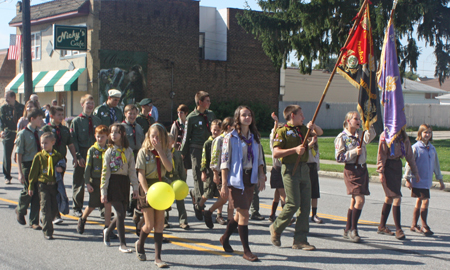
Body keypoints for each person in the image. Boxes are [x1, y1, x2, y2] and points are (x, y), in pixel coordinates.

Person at [270, 105, 323, 250]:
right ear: (292, 115)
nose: (303, 118)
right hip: (290, 169)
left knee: (305, 206)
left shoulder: (303, 130)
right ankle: (276, 227)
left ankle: (300, 240)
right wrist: (295, 150)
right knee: (293, 203)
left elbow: (320, 132)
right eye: (301, 115)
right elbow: (276, 153)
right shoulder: (282, 132)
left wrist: (314, 126)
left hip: (304, 169)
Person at [219, 106, 265, 262]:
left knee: (239, 214)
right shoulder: (230, 137)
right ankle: (247, 251)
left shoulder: (255, 137)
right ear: (237, 118)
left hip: (249, 179)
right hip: (235, 180)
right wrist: (224, 184)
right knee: (245, 214)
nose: (247, 117)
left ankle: (225, 237)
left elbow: (259, 159)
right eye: (244, 115)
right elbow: (224, 162)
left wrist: (262, 175)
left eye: (249, 115)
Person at [335, 111, 375, 243]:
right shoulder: (342, 137)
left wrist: (369, 125)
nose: (358, 121)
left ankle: (347, 229)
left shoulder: (360, 135)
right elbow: (339, 157)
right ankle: (354, 229)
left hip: (362, 170)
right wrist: (353, 152)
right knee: (360, 200)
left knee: (354, 201)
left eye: (359, 119)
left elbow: (370, 137)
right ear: (348, 121)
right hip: (352, 170)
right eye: (355, 119)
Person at [135, 123, 172, 267]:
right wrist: (147, 192)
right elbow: (141, 175)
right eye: (153, 136)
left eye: (158, 137)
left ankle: (158, 258)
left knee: (160, 225)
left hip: (161, 188)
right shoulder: (143, 152)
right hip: (148, 188)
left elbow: (168, 168)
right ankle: (140, 244)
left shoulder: (166, 151)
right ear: (148, 137)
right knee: (149, 224)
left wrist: (160, 151)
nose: (155, 139)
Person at [101, 123, 139, 253]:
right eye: (112, 132)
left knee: (122, 214)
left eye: (116, 132)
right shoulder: (109, 152)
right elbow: (105, 172)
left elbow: (132, 170)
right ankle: (122, 244)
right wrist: (103, 191)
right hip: (113, 183)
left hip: (124, 183)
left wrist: (135, 187)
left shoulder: (128, 151)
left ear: (122, 134)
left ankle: (108, 231)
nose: (113, 134)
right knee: (120, 213)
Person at [377, 129, 419, 240]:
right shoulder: (385, 135)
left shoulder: (403, 137)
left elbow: (409, 155)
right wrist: (380, 172)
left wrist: (415, 172)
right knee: (397, 197)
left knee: (389, 198)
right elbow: (381, 154)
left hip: (397, 166)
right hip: (388, 166)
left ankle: (381, 226)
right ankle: (398, 229)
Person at [180, 91, 215, 220]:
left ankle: (195, 194)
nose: (209, 103)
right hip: (196, 149)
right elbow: (186, 137)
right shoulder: (191, 117)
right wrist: (182, 154)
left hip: (209, 148)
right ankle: (199, 206)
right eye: (207, 101)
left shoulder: (210, 115)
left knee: (209, 176)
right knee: (198, 176)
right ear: (200, 102)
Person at [404, 124, 445, 236]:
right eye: (425, 132)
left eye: (429, 133)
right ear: (420, 134)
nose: (427, 135)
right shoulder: (416, 147)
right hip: (418, 180)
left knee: (419, 201)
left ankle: (413, 224)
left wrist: (440, 180)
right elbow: (409, 164)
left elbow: (436, 165)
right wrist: (407, 178)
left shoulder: (432, 149)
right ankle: (424, 225)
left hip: (427, 181)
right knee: (425, 200)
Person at [41, 106, 78, 225]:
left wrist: (75, 157)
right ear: (51, 116)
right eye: (58, 115)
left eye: (62, 115)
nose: (61, 117)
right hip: (48, 161)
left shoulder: (65, 129)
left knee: (58, 187)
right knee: (49, 188)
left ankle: (55, 213)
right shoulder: (46, 128)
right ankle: (49, 214)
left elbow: (70, 144)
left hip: (61, 161)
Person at [28, 132, 65, 240]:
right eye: (42, 143)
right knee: (45, 208)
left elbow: (62, 165)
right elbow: (33, 172)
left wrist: (61, 169)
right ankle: (48, 232)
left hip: (54, 185)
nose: (44, 145)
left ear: (53, 143)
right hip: (43, 185)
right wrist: (30, 186)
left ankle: (46, 220)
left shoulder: (57, 155)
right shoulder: (39, 156)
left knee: (54, 208)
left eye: (46, 143)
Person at [70, 95, 102, 217]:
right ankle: (77, 207)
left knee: (97, 179)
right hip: (82, 152)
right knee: (79, 180)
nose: (90, 106)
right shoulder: (76, 121)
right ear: (82, 104)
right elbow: (74, 140)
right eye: (88, 103)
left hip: (95, 153)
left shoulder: (97, 120)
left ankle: (99, 205)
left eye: (92, 103)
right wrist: (78, 156)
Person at [14, 108, 44, 229]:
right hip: (27, 164)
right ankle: (20, 209)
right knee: (28, 190)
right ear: (32, 119)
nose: (41, 121)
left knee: (37, 192)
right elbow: (19, 153)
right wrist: (20, 172)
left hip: (38, 164)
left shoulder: (40, 133)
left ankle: (34, 221)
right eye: (39, 119)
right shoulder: (23, 133)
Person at [77, 125, 109, 234]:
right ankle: (82, 219)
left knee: (107, 205)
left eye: (103, 136)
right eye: (98, 136)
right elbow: (88, 167)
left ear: (107, 137)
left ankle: (107, 228)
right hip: (95, 181)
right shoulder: (92, 150)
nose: (100, 139)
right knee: (92, 205)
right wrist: (87, 183)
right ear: (95, 136)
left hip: (106, 181)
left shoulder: (109, 150)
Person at [208, 117, 235, 225]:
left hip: (231, 172)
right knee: (224, 198)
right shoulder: (219, 140)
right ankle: (209, 212)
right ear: (229, 127)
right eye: (234, 127)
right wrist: (215, 173)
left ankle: (230, 222)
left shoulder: (233, 139)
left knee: (231, 199)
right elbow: (214, 157)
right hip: (220, 172)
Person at [198, 119, 223, 228]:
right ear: (210, 130)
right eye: (214, 130)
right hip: (209, 170)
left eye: (218, 130)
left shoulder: (222, 141)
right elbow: (204, 158)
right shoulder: (208, 143)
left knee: (220, 194)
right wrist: (203, 171)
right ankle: (199, 205)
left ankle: (219, 214)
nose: (215, 132)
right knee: (208, 192)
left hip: (220, 171)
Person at [122, 104, 145, 217]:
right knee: (126, 182)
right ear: (125, 114)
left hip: (138, 156)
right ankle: (125, 206)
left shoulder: (139, 127)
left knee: (138, 182)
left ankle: (134, 205)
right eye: (130, 113)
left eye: (134, 113)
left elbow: (143, 141)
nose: (132, 116)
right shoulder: (121, 127)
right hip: (126, 157)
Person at [164, 134, 189, 229]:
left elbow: (182, 169)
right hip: (166, 179)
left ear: (173, 143)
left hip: (176, 179)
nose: (166, 144)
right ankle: (164, 220)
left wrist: (183, 181)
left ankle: (183, 221)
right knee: (165, 201)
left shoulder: (177, 154)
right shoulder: (161, 153)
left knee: (180, 201)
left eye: (168, 142)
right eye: (164, 141)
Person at [0, 91, 24, 184]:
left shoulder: (21, 107)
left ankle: (23, 174)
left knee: (21, 154)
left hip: (19, 133)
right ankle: (7, 176)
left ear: (13, 97)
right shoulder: (4, 108)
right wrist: (1, 131)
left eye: (8, 97)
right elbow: (1, 121)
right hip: (8, 132)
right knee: (7, 155)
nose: (6, 99)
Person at [307, 135, 323, 224]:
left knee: (314, 194)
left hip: (313, 169)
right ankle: (304, 214)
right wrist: (311, 142)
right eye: (311, 135)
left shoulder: (315, 146)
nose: (314, 138)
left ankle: (314, 214)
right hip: (306, 167)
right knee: (305, 193)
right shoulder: (306, 144)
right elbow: (304, 152)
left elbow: (317, 158)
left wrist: (317, 168)